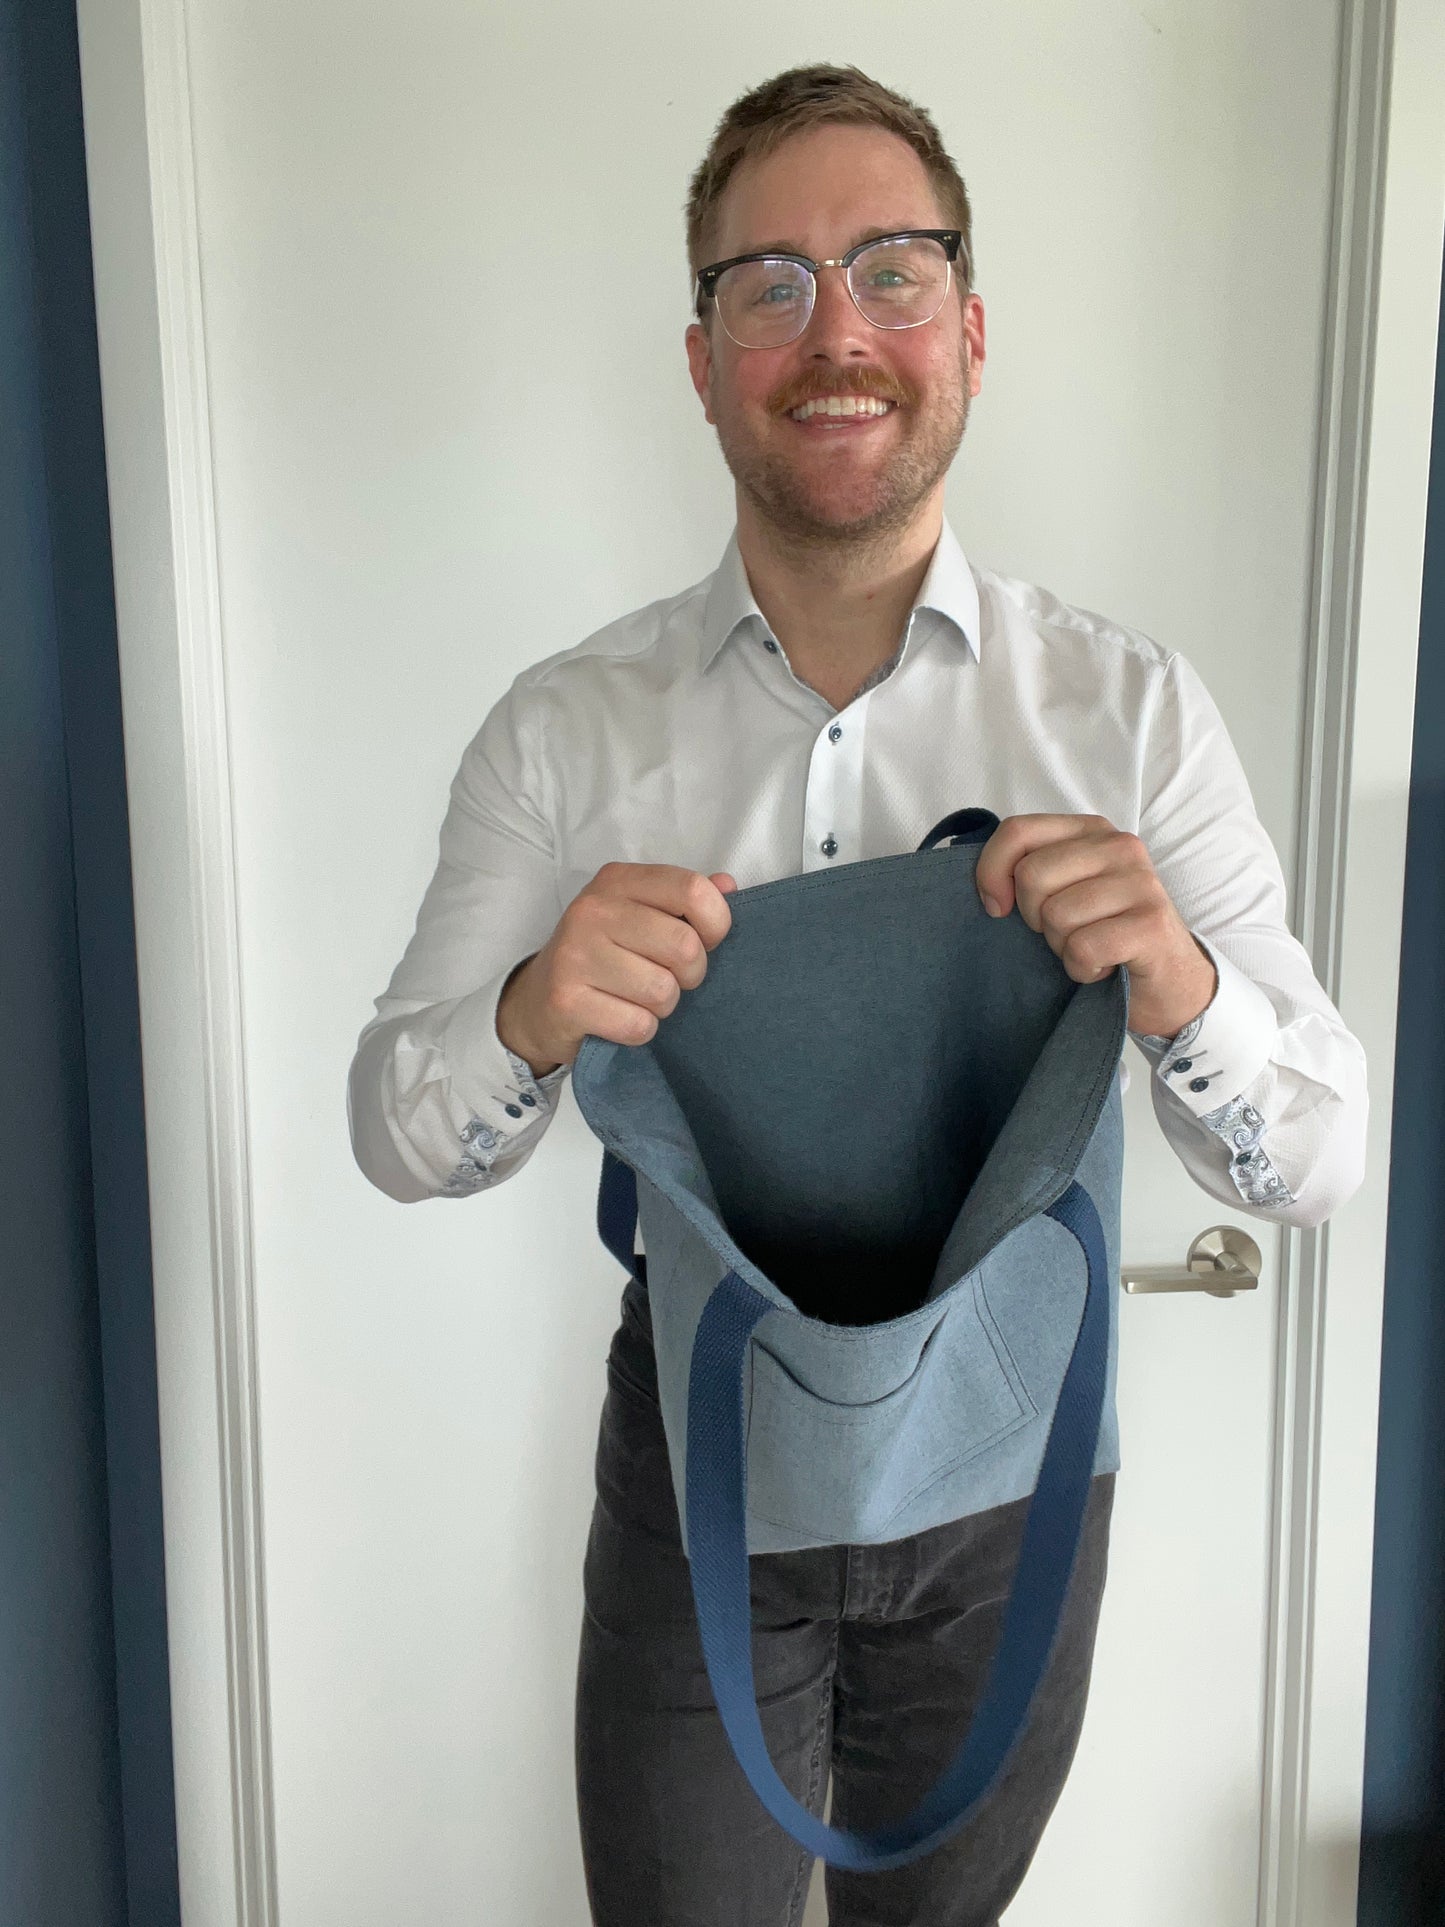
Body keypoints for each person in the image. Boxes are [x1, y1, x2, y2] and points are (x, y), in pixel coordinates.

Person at [347, 62, 1367, 1927]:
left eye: (891, 271)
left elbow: (1315, 1160)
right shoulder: (567, 732)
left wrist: (1178, 986)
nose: (836, 335)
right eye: (771, 285)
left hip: (1013, 1479)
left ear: (967, 328)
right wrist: (528, 1013)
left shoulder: (1130, 716)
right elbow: (395, 1133)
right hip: (704, 1461)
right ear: (701, 359)